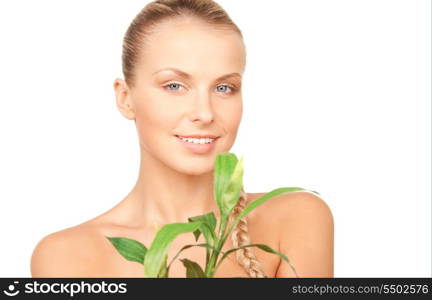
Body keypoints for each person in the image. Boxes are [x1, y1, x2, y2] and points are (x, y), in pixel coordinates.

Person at [30, 0, 334, 278]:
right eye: (174, 86)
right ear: (125, 98)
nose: (204, 113)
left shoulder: (296, 218)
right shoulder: (67, 256)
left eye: (224, 88)